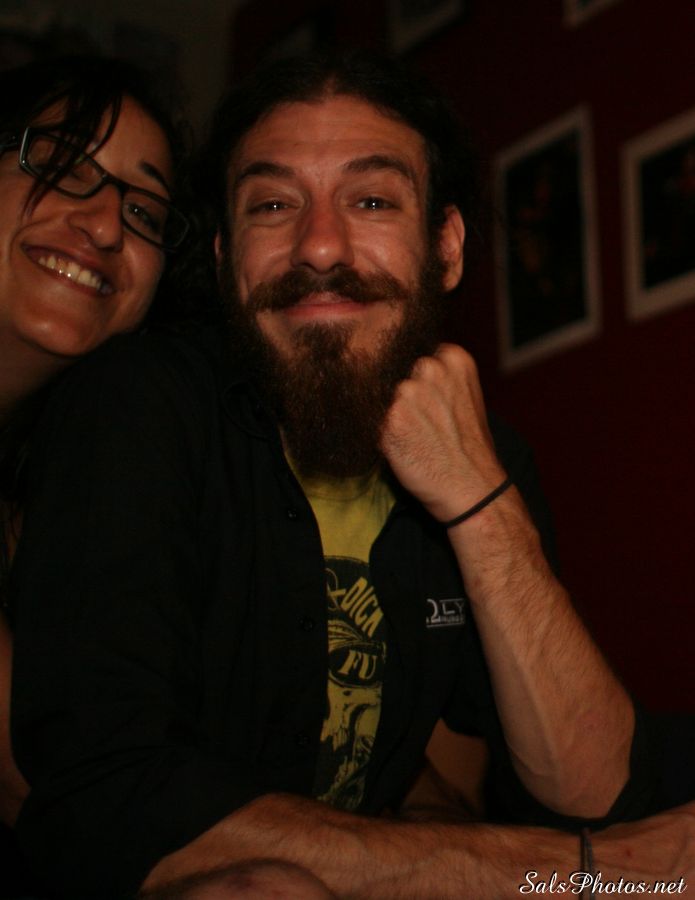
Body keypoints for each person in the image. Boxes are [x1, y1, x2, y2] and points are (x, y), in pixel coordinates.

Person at [9, 51, 649, 899]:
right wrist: (578, 873)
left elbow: (589, 789)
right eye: (272, 205)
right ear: (224, 256)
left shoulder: (486, 454)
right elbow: (102, 795)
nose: (317, 244)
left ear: (446, 247)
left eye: (371, 200)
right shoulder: (139, 407)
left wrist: (479, 502)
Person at [0, 53, 192, 890]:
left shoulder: (79, 493)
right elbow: (65, 794)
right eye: (62, 165)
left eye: (145, 210)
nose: (108, 225)